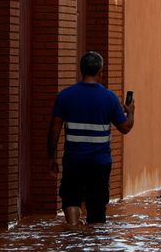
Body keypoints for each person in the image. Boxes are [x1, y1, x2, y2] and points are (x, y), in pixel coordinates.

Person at [48, 51, 135, 228]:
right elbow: (125, 128)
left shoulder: (65, 96)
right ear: (100, 71)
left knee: (71, 198)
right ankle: (94, 246)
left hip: (74, 160)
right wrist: (131, 112)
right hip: (100, 162)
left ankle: (73, 230)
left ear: (81, 70)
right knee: (96, 207)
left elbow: (54, 129)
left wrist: (51, 157)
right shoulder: (109, 98)